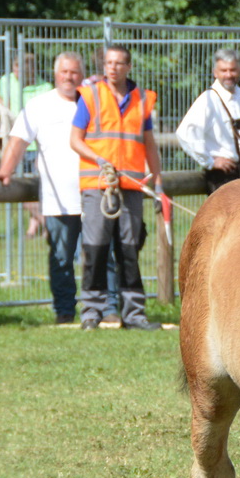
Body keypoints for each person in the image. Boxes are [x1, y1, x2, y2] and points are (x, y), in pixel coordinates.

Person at [70, 44, 166, 330]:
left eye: (118, 63)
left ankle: (134, 314)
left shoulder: (142, 100)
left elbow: (149, 144)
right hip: (99, 184)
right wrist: (99, 159)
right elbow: (75, 140)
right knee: (96, 249)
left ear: (129, 66)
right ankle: (91, 312)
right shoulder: (90, 96)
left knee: (129, 250)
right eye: (108, 63)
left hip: (132, 186)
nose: (112, 68)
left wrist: (157, 180)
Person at [0, 52, 85, 324]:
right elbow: (18, 140)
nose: (69, 77)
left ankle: (100, 311)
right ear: (55, 74)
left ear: (82, 74)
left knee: (101, 255)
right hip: (58, 198)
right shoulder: (39, 105)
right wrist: (5, 171)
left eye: (75, 72)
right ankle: (65, 312)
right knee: (61, 258)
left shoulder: (92, 102)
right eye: (65, 72)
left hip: (94, 194)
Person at [175, 49, 240, 192]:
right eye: (223, 70)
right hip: (224, 176)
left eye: (233, 70)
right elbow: (185, 133)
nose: (228, 75)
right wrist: (210, 161)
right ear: (215, 73)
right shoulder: (208, 100)